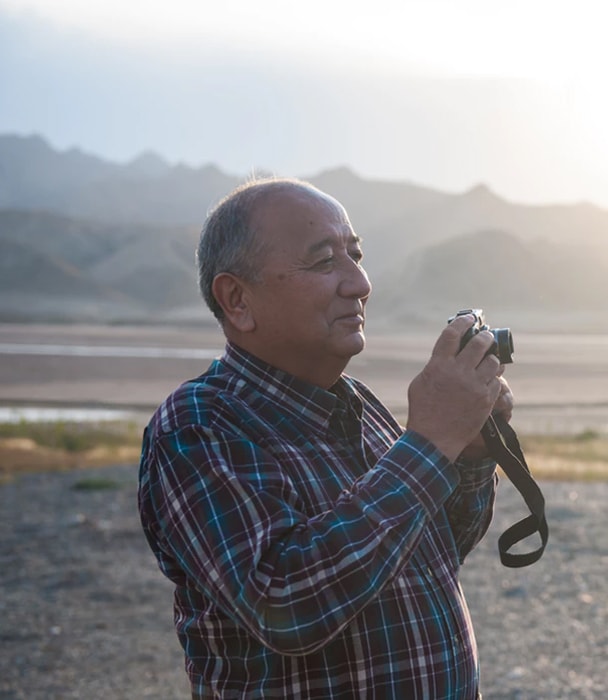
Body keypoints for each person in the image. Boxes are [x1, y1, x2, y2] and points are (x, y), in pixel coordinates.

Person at [138, 177, 513, 699]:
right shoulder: (199, 426)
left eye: (355, 256)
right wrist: (428, 442)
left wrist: (465, 450)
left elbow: (436, 551)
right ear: (237, 299)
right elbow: (286, 604)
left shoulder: (358, 403)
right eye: (322, 262)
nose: (359, 284)